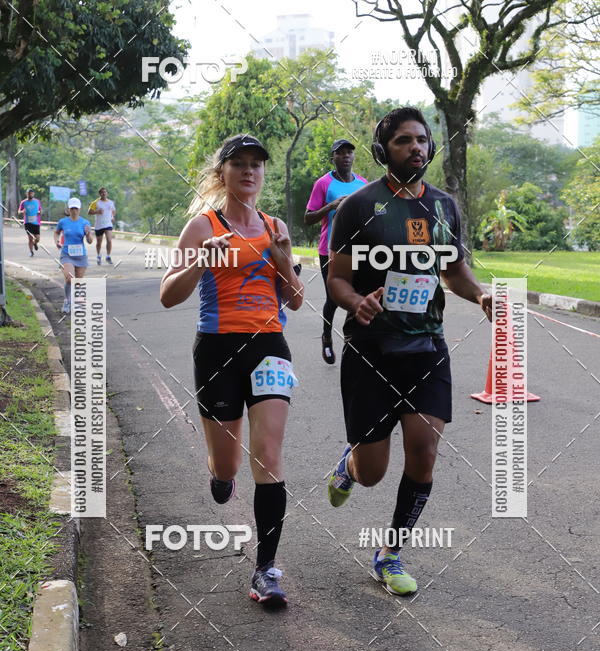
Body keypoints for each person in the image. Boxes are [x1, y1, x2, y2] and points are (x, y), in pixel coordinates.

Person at [326, 107, 492, 595]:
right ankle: (349, 465)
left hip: (426, 347)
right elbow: (336, 278)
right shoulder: (356, 208)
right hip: (371, 352)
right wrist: (356, 301)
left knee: (425, 451)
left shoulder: (443, 207)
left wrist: (479, 294)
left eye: (422, 140)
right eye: (403, 141)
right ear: (384, 150)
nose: (416, 147)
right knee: (372, 472)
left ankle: (390, 552)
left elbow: (454, 271)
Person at [160, 134, 304, 607]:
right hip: (218, 350)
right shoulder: (202, 227)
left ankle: (266, 570)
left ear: (263, 173)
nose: (249, 171)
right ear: (221, 173)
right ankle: (222, 476)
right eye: (238, 164)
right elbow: (168, 295)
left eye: (256, 164)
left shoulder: (275, 225)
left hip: (270, 347)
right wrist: (202, 260)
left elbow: (297, 301)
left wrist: (282, 255)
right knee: (228, 462)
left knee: (268, 455)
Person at [304, 140, 367, 364]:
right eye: (340, 153)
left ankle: (354, 340)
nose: (346, 156)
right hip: (329, 249)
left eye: (349, 152)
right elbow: (308, 217)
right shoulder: (323, 184)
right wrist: (331, 206)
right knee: (333, 297)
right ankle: (327, 337)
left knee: (359, 294)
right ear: (333, 158)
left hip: (358, 250)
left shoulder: (363, 184)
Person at [54, 198, 93, 314]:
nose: (74, 211)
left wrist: (88, 233)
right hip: (67, 254)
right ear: (69, 209)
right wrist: (56, 241)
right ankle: (67, 301)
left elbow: (90, 241)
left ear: (79, 209)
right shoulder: (63, 222)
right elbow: (56, 232)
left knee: (78, 282)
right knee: (70, 278)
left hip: (81, 255)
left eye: (76, 208)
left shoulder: (85, 222)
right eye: (72, 208)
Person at [88, 187, 116, 265]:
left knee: (109, 240)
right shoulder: (95, 202)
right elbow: (89, 212)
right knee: (99, 243)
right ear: (100, 194)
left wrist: (112, 217)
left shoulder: (111, 202)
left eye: (105, 192)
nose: (104, 194)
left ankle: (108, 256)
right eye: (102, 192)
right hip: (99, 225)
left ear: (107, 193)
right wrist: (97, 211)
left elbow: (113, 210)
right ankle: (98, 255)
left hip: (108, 224)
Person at [18, 189, 42, 257]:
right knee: (30, 238)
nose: (30, 194)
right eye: (29, 193)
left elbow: (40, 210)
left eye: (31, 193)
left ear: (33, 194)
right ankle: (31, 252)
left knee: (37, 238)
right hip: (27, 223)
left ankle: (35, 243)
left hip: (36, 222)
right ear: (26, 194)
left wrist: (39, 213)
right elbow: (19, 211)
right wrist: (22, 211)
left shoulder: (37, 201)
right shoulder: (23, 202)